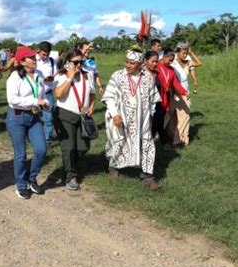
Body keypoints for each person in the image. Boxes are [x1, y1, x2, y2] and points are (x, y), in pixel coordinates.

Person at [102, 49, 161, 190]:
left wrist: (151, 115)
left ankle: (148, 177)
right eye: (127, 62)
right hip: (121, 118)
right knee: (119, 142)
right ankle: (113, 167)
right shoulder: (117, 76)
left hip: (143, 119)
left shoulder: (147, 78)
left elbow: (153, 99)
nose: (128, 65)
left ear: (140, 64)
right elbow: (109, 97)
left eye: (132, 63)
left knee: (147, 144)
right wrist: (115, 114)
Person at [6, 46, 49, 199]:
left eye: (35, 56)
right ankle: (21, 185)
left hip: (34, 116)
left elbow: (41, 92)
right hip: (17, 117)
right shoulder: (15, 77)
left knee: (41, 150)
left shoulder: (39, 74)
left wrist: (44, 103)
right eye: (31, 57)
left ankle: (31, 178)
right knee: (21, 155)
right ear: (23, 62)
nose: (35, 59)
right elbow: (12, 100)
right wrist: (35, 100)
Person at [53, 49, 96, 190]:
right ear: (68, 63)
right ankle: (70, 176)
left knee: (83, 147)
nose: (79, 65)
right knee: (69, 147)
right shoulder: (61, 75)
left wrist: (91, 107)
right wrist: (70, 77)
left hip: (82, 115)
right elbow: (58, 94)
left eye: (81, 62)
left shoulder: (88, 75)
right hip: (64, 114)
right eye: (76, 62)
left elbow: (92, 93)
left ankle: (69, 165)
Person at [151, 50, 188, 150]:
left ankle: (155, 141)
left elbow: (175, 83)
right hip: (154, 98)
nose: (170, 62)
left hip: (165, 98)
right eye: (169, 60)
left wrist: (184, 92)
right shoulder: (156, 66)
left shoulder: (171, 70)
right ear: (164, 57)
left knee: (158, 121)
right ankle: (162, 142)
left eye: (172, 61)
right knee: (156, 121)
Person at [168, 43, 200, 147]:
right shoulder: (173, 63)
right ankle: (175, 137)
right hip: (175, 92)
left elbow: (199, 63)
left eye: (186, 53)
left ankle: (183, 139)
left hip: (185, 92)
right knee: (172, 117)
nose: (185, 55)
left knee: (185, 116)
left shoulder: (188, 62)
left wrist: (191, 52)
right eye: (183, 53)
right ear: (177, 52)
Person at [36, 41, 57, 146]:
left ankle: (47, 141)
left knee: (48, 118)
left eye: (47, 54)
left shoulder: (52, 62)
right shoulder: (32, 60)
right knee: (33, 118)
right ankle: (32, 137)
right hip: (34, 94)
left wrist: (52, 78)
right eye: (43, 54)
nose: (45, 56)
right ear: (39, 51)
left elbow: (56, 75)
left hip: (48, 93)